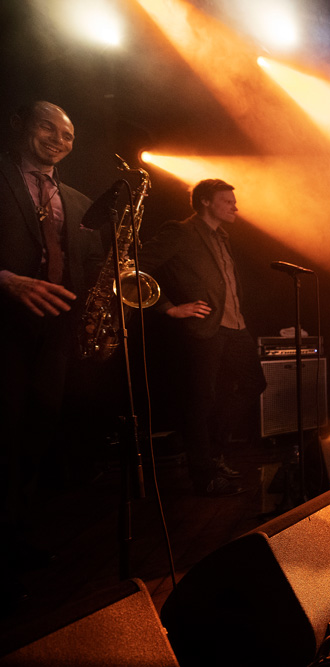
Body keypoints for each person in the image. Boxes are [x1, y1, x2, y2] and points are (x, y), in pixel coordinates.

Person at [0, 101, 103, 609]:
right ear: (21, 124)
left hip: (56, 336)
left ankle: (14, 542)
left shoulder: (80, 202)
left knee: (34, 439)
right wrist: (6, 281)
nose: (59, 139)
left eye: (68, 134)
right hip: (6, 330)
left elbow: (89, 267)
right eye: (48, 126)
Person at [141, 179, 266, 497]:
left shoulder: (222, 238)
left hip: (235, 327)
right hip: (205, 328)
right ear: (206, 202)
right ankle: (204, 475)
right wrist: (169, 307)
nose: (235, 207)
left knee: (252, 385)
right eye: (227, 201)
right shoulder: (181, 231)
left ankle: (213, 452)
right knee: (201, 400)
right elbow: (137, 268)